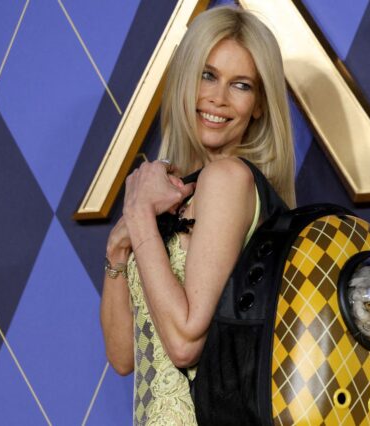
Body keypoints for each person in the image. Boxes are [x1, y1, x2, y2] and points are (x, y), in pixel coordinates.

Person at [99, 6, 296, 425]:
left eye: (240, 85)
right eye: (207, 75)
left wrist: (138, 214)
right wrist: (117, 252)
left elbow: (185, 344)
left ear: (259, 105)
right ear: (186, 80)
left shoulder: (229, 179)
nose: (218, 98)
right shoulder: (174, 190)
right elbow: (123, 356)